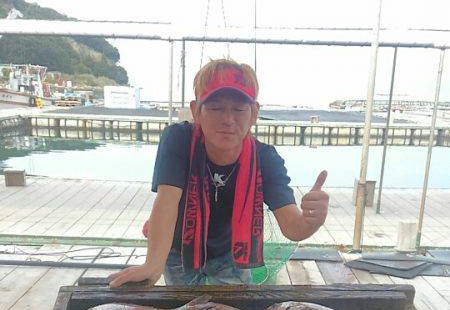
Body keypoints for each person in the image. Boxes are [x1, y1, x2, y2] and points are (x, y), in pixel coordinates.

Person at [109, 59, 329, 288]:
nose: (227, 119)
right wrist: (152, 266)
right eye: (215, 108)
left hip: (231, 253)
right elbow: (167, 201)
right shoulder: (178, 140)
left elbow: (293, 227)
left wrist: (312, 220)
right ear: (196, 111)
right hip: (178, 251)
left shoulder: (266, 158)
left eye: (239, 109)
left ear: (254, 113)